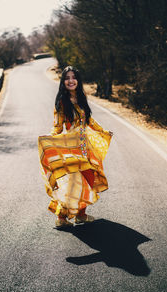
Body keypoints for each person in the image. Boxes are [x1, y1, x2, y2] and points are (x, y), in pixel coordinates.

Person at [38, 66, 113, 228]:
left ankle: (81, 215)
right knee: (71, 182)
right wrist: (50, 141)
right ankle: (61, 217)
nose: (70, 81)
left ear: (78, 80)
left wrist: (103, 131)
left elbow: (89, 121)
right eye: (67, 78)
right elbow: (57, 127)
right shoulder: (61, 102)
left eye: (73, 77)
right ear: (63, 82)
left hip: (86, 148)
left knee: (88, 179)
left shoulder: (81, 97)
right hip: (71, 148)